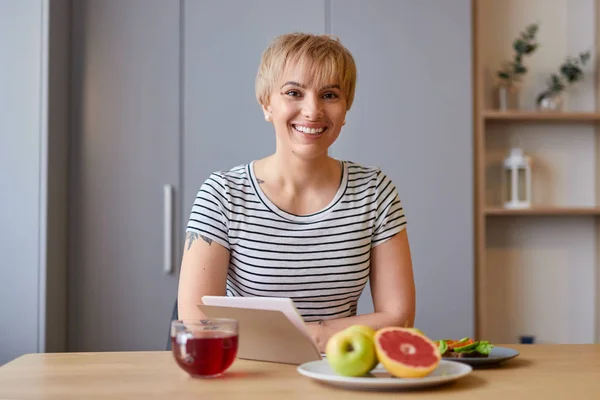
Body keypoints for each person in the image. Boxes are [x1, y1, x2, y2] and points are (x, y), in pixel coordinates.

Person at [177, 32, 416, 352]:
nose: (313, 110)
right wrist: (320, 334)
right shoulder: (222, 194)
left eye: (330, 95)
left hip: (339, 374)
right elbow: (197, 322)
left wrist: (314, 334)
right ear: (267, 104)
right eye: (294, 92)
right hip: (250, 377)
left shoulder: (375, 192)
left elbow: (399, 317)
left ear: (346, 110)